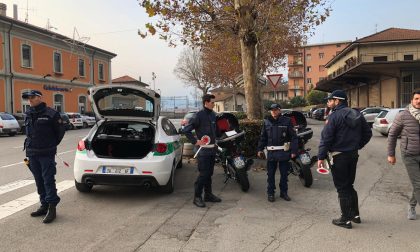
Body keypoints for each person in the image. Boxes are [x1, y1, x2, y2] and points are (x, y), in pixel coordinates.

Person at [317, 90, 372, 229]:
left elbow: (326, 138)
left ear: (337, 101)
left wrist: (321, 157)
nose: (328, 102)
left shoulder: (334, 116)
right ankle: (355, 215)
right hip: (353, 154)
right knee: (349, 185)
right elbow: (368, 133)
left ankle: (345, 219)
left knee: (342, 188)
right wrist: (357, 145)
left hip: (338, 156)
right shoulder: (357, 114)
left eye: (330, 100)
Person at [23, 90, 65, 223]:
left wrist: (50, 145)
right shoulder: (28, 113)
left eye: (33, 97)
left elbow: (60, 132)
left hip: (46, 153)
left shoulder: (51, 113)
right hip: (32, 152)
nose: (30, 100)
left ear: (40, 98)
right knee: (39, 180)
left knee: (48, 180)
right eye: (28, 98)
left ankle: (52, 207)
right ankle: (44, 205)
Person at [183, 94, 222, 207]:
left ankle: (208, 195)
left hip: (212, 149)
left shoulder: (214, 115)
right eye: (212, 102)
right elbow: (186, 130)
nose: (214, 104)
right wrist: (195, 141)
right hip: (203, 151)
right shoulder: (198, 115)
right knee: (204, 174)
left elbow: (217, 132)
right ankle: (197, 197)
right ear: (206, 102)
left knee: (209, 173)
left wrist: (223, 128)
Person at [387, 89, 420, 220]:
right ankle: (412, 208)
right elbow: (392, 134)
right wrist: (391, 154)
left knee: (418, 184)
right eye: (416, 98)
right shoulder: (403, 115)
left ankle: (411, 206)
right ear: (412, 100)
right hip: (409, 154)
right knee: (418, 184)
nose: (419, 101)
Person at [257, 104, 298, 202]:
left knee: (284, 174)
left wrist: (293, 150)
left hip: (284, 152)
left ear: (279, 110)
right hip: (271, 153)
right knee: (270, 175)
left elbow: (293, 137)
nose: (273, 112)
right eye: (272, 110)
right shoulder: (266, 121)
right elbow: (263, 137)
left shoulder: (287, 121)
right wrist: (259, 149)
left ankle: (284, 193)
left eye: (275, 110)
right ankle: (270, 193)